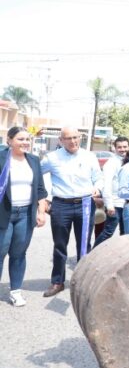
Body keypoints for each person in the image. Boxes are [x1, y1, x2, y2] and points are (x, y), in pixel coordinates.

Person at [41, 127, 103, 297]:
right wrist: (44, 199)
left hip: (85, 204)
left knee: (84, 245)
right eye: (68, 138)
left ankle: (83, 282)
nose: (73, 141)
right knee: (60, 245)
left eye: (75, 137)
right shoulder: (51, 158)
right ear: (61, 140)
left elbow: (98, 177)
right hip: (61, 205)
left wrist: (97, 188)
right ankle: (57, 282)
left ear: (80, 137)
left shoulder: (89, 156)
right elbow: (37, 175)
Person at [0, 127, 48, 306]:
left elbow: (40, 189)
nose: (25, 143)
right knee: (0, 252)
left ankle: (16, 292)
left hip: (25, 214)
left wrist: (41, 212)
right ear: (10, 140)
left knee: (19, 254)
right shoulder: (2, 158)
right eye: (20, 139)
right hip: (3, 213)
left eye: (27, 139)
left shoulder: (34, 160)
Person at [94, 136, 129, 246]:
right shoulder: (112, 163)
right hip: (115, 203)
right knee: (108, 232)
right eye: (119, 147)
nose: (122, 149)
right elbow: (107, 185)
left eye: (125, 147)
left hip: (127, 204)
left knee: (126, 234)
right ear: (114, 148)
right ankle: (93, 256)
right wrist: (109, 205)